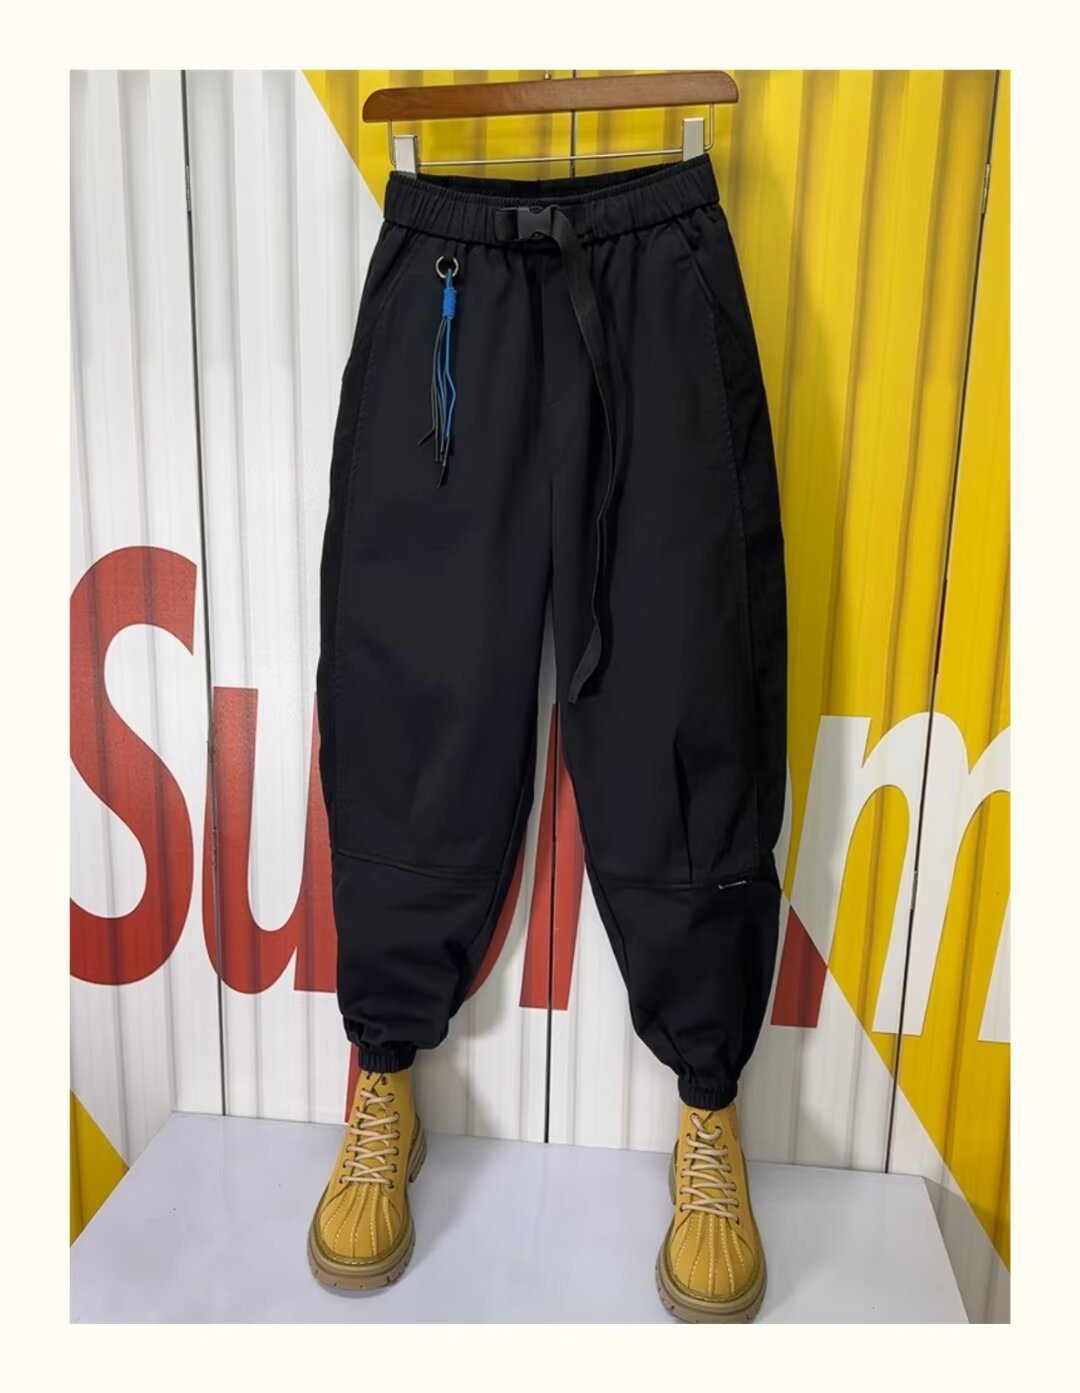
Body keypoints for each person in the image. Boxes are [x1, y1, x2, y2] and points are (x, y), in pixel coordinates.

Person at [306, 154, 786, 1324]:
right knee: (416, 691)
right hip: (448, 293)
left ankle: (708, 1101)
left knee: (685, 680)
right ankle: (384, 1077)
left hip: (659, 289)